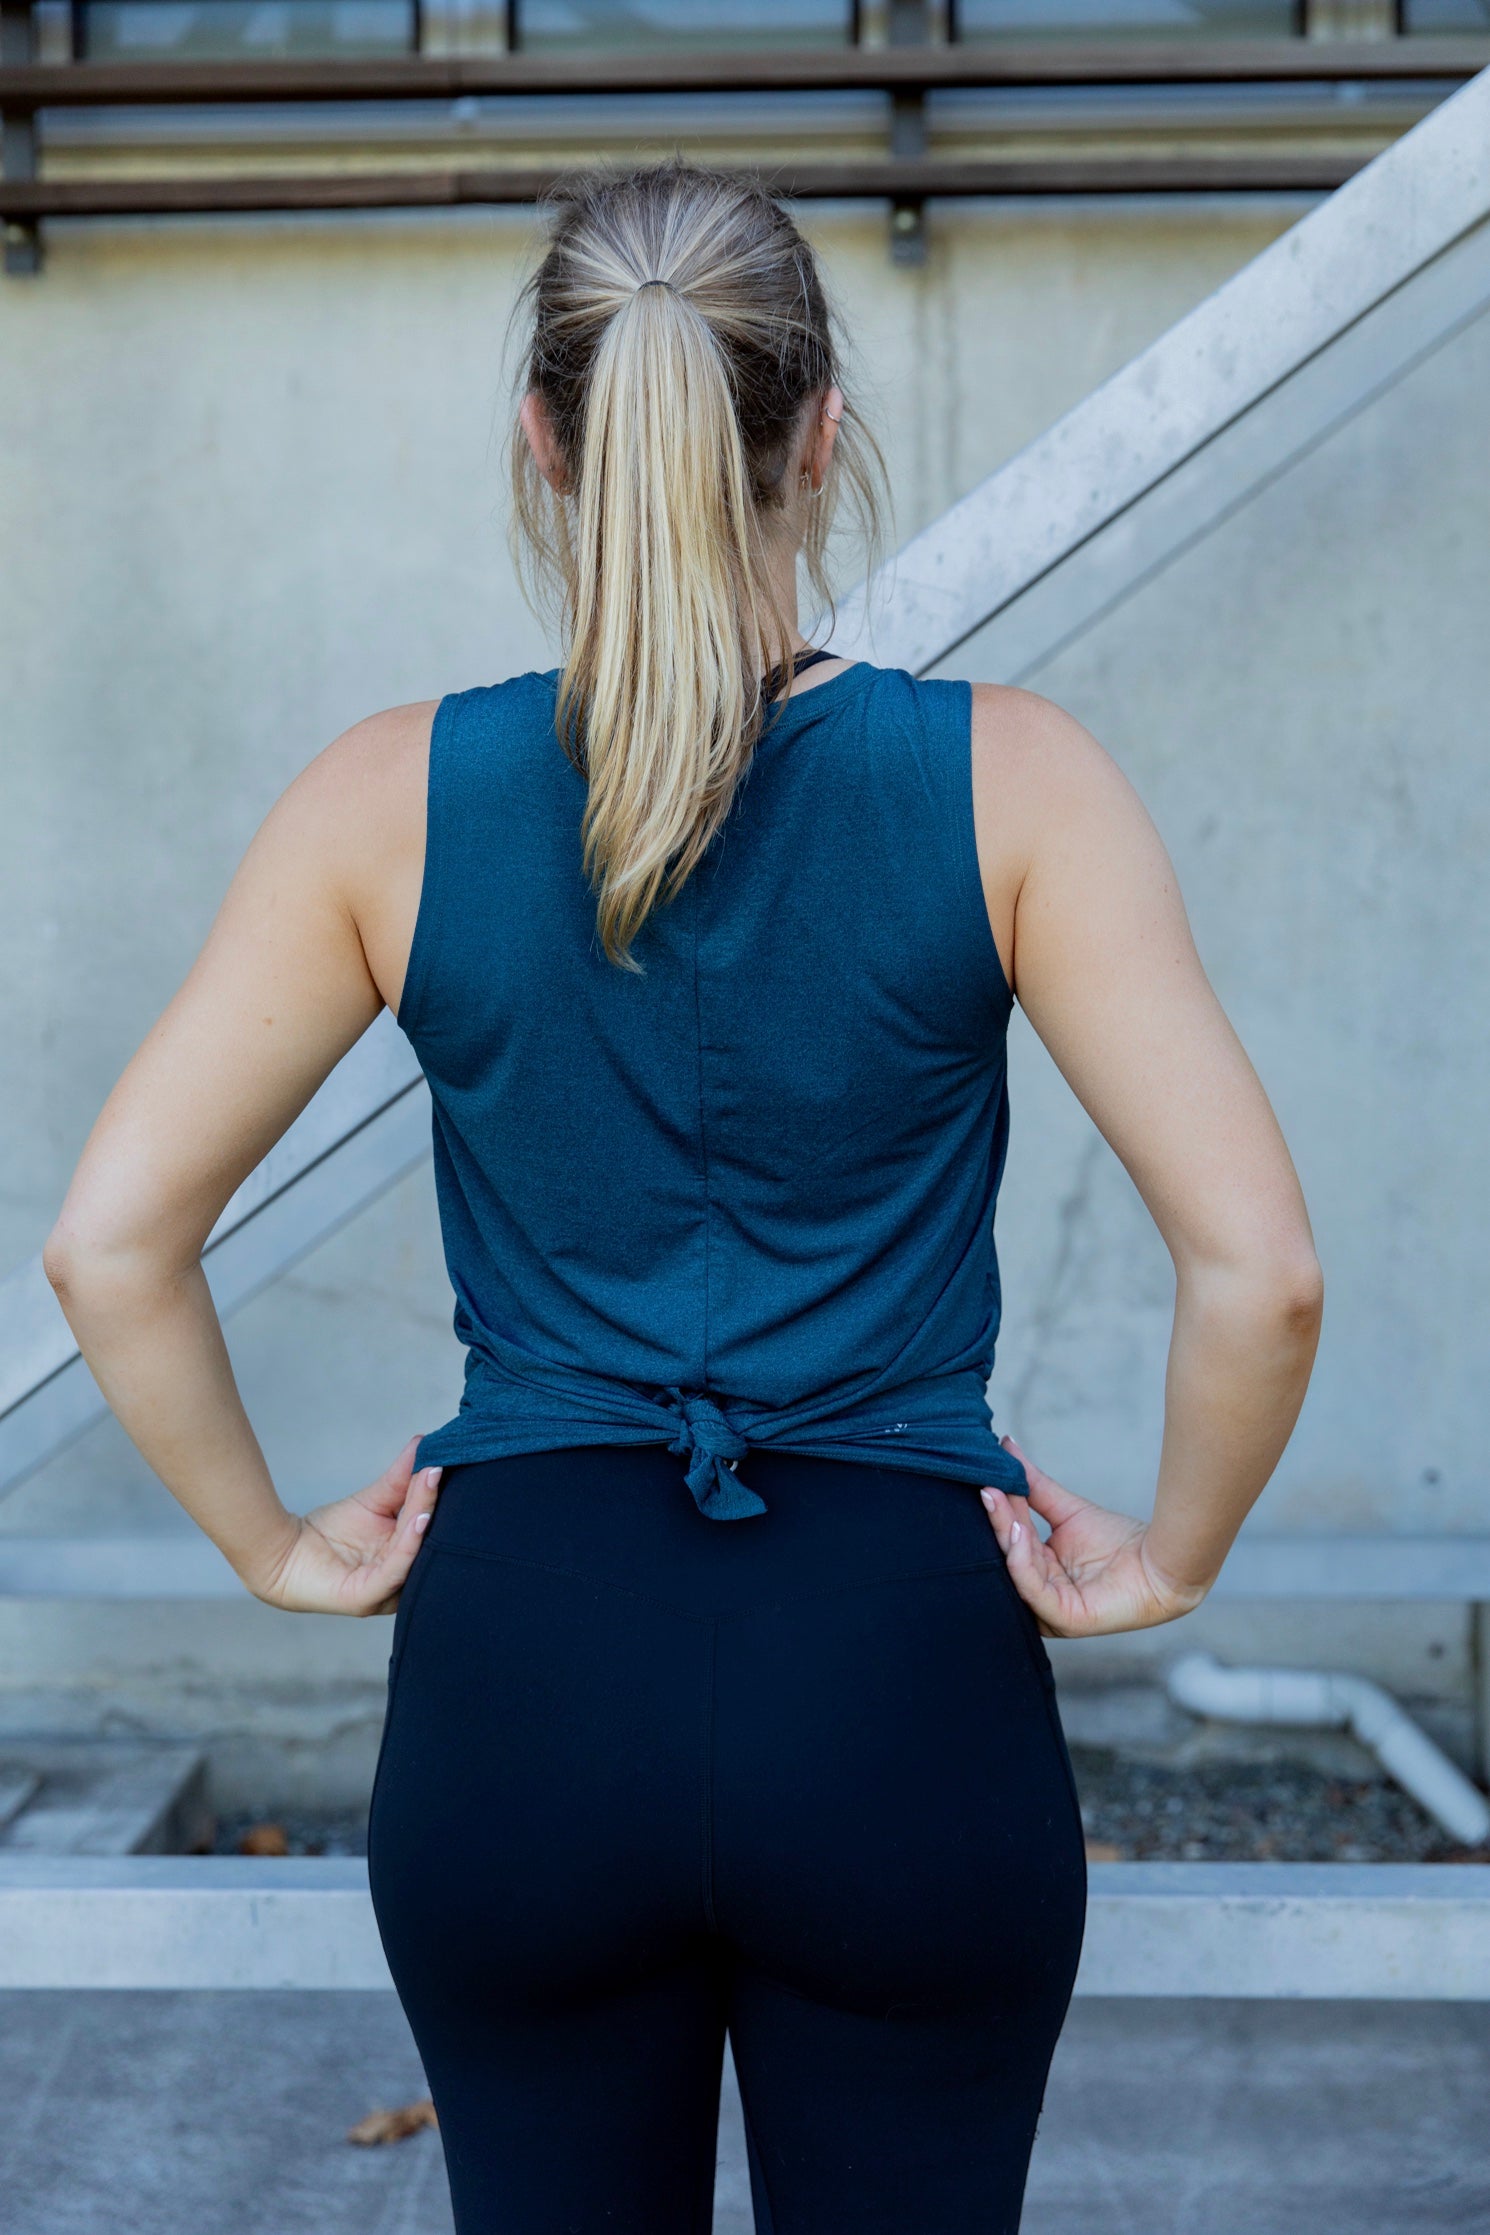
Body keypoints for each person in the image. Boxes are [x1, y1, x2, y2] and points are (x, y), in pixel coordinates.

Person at [43, 162, 1323, 2234]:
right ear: (821, 435)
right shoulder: (1016, 781)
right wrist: (1166, 1560)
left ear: (542, 442)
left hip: (523, 1679)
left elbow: (109, 1243)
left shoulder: (384, 802)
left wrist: (275, 1543)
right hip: (895, 1675)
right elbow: (1259, 1276)